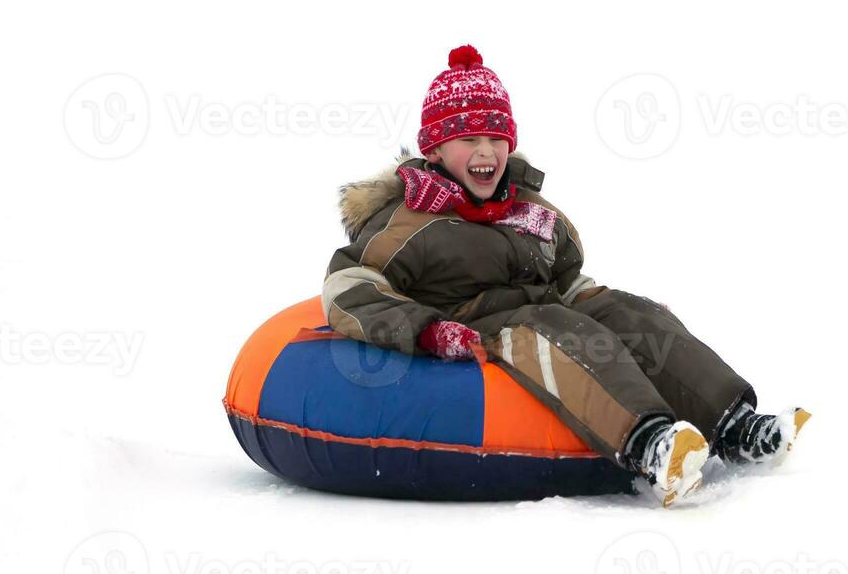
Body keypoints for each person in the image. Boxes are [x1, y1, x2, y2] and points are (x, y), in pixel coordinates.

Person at [323, 45, 808, 506]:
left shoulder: (527, 209)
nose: (485, 151)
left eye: (495, 137)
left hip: (548, 303)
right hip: (478, 324)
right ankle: (648, 443)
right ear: (435, 150)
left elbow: (567, 276)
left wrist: (617, 306)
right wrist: (427, 328)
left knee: (624, 312)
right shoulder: (410, 220)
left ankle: (735, 424)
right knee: (559, 331)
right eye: (468, 139)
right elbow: (351, 284)